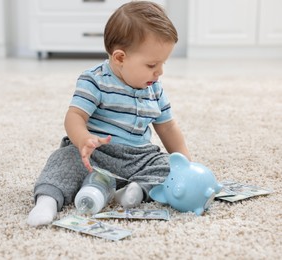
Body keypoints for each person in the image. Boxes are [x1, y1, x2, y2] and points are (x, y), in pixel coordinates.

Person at [27, 1, 191, 227]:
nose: (160, 71)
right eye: (152, 64)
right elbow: (75, 116)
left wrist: (186, 164)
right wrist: (83, 139)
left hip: (139, 157)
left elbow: (168, 127)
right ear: (120, 58)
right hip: (96, 153)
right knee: (63, 160)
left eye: (163, 63)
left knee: (167, 166)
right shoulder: (94, 80)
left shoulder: (154, 87)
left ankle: (134, 192)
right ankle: (47, 201)